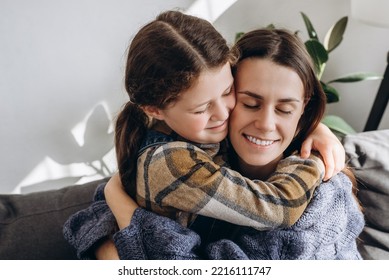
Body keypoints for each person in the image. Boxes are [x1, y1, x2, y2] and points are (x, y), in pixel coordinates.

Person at [63, 11, 349, 259]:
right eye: (249, 103)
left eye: (227, 93)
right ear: (155, 110)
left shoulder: (207, 135)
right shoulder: (172, 160)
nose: (224, 113)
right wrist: (312, 161)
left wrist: (314, 126)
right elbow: (278, 209)